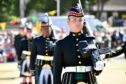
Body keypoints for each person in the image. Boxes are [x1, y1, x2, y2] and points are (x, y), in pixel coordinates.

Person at [53, 6, 105, 84]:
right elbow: (56, 71)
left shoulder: (91, 41)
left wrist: (99, 68)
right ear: (68, 22)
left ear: (83, 22)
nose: (77, 22)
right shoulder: (61, 44)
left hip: (89, 79)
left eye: (80, 20)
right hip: (69, 80)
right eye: (74, 20)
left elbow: (96, 72)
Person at [30, 14, 56, 84]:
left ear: (51, 29)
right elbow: (33, 55)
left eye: (48, 28)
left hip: (52, 65)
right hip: (39, 65)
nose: (46, 30)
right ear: (41, 30)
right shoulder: (36, 40)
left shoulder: (56, 41)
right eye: (44, 28)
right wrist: (32, 68)